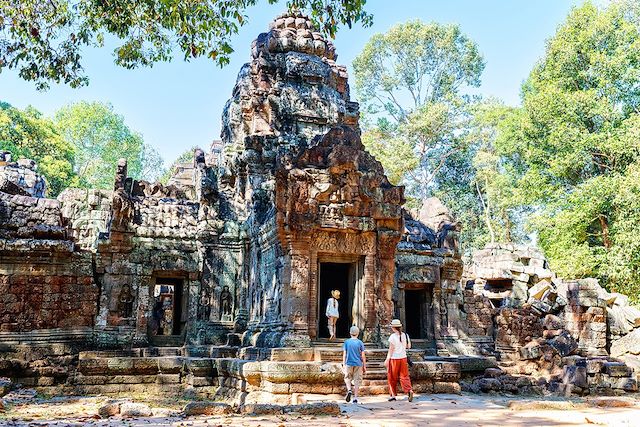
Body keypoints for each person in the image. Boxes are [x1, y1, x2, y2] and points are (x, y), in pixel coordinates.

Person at [384, 318, 414, 402]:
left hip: (394, 359)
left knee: (392, 377)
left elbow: (391, 349)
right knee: (405, 376)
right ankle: (409, 390)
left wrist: (387, 359)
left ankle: (393, 395)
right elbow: (409, 346)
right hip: (403, 358)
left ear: (393, 327)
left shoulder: (392, 337)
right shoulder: (405, 335)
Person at [343, 325, 366, 404]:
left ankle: (349, 390)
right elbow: (363, 355)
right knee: (357, 380)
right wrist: (364, 366)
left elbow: (345, 354)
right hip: (358, 363)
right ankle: (355, 397)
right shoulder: (360, 343)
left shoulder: (347, 342)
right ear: (358, 333)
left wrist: (344, 364)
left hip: (349, 362)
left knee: (347, 378)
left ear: (350, 333)